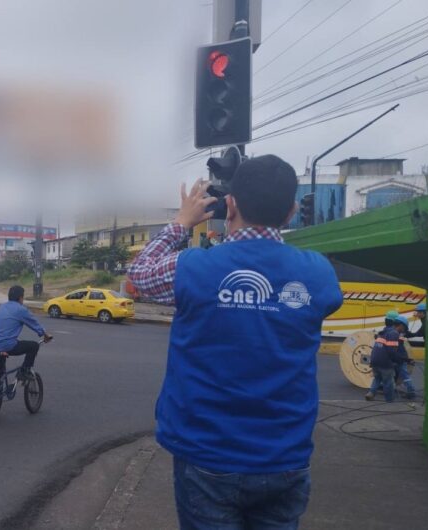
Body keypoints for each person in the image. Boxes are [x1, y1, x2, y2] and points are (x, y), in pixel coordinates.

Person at [128, 155, 343, 529]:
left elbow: (140, 274)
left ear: (230, 205)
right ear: (291, 211)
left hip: (206, 455)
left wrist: (182, 222)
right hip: (285, 457)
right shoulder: (319, 273)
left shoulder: (194, 267)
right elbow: (324, 304)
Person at [0, 285, 52, 382]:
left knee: (0, 371)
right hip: (8, 346)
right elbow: (34, 324)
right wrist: (45, 334)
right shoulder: (20, 309)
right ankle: (24, 371)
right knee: (34, 346)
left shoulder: (2, 306)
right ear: (20, 298)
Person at [365, 318, 401, 402]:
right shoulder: (394, 333)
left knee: (377, 378)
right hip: (385, 362)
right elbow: (391, 351)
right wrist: (397, 361)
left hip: (374, 360)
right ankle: (389, 399)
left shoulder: (381, 333)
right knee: (388, 381)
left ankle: (371, 393)